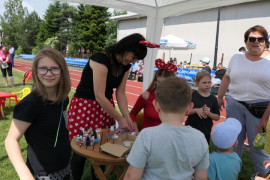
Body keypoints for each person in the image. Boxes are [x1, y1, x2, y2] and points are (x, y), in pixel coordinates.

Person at [68, 33, 152, 180]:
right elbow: (99, 95)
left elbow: (120, 92)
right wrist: (119, 118)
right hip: (85, 107)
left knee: (102, 148)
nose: (132, 62)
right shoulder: (101, 60)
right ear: (126, 48)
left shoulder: (125, 67)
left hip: (104, 108)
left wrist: (126, 116)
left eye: (136, 60)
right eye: (133, 57)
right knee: (81, 151)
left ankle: (98, 177)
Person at [5, 47, 72, 180]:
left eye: (54, 68)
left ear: (62, 71)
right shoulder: (31, 104)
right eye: (43, 68)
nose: (48, 73)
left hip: (64, 168)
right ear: (35, 71)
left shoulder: (63, 98)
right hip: (43, 173)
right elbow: (11, 140)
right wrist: (26, 176)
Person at [124, 77, 209, 180]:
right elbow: (201, 177)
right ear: (189, 107)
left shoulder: (147, 136)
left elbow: (131, 177)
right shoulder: (200, 138)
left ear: (156, 105)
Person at [217, 25, 270, 175]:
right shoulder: (236, 57)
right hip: (235, 104)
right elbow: (227, 77)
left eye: (260, 39)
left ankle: (264, 175)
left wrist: (265, 118)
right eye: (252, 39)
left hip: (261, 109)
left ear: (265, 41)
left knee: (258, 147)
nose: (256, 42)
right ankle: (230, 172)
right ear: (246, 41)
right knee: (233, 142)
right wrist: (220, 97)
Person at [129, 59, 177, 133]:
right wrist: (136, 131)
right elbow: (132, 114)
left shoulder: (176, 99)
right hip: (147, 138)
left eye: (165, 83)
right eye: (158, 82)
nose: (160, 85)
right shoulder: (146, 95)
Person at [185, 71, 220, 143]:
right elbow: (184, 111)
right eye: (204, 82)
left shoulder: (213, 98)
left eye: (209, 82)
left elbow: (217, 117)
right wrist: (196, 110)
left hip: (205, 131)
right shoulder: (192, 95)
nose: (207, 85)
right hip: (191, 130)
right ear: (197, 83)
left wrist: (209, 113)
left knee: (203, 152)